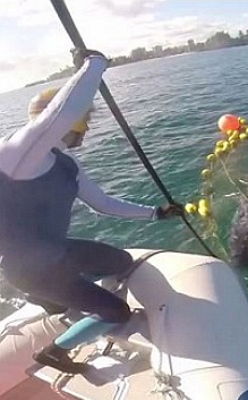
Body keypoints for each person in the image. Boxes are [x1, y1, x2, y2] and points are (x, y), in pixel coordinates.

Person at [0, 49, 182, 374]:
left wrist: (155, 212)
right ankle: (55, 352)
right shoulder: (13, 155)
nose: (86, 130)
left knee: (122, 262)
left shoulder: (67, 165)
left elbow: (103, 204)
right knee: (118, 312)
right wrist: (94, 64)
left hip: (59, 252)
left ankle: (60, 299)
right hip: (31, 270)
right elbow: (59, 115)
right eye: (85, 121)